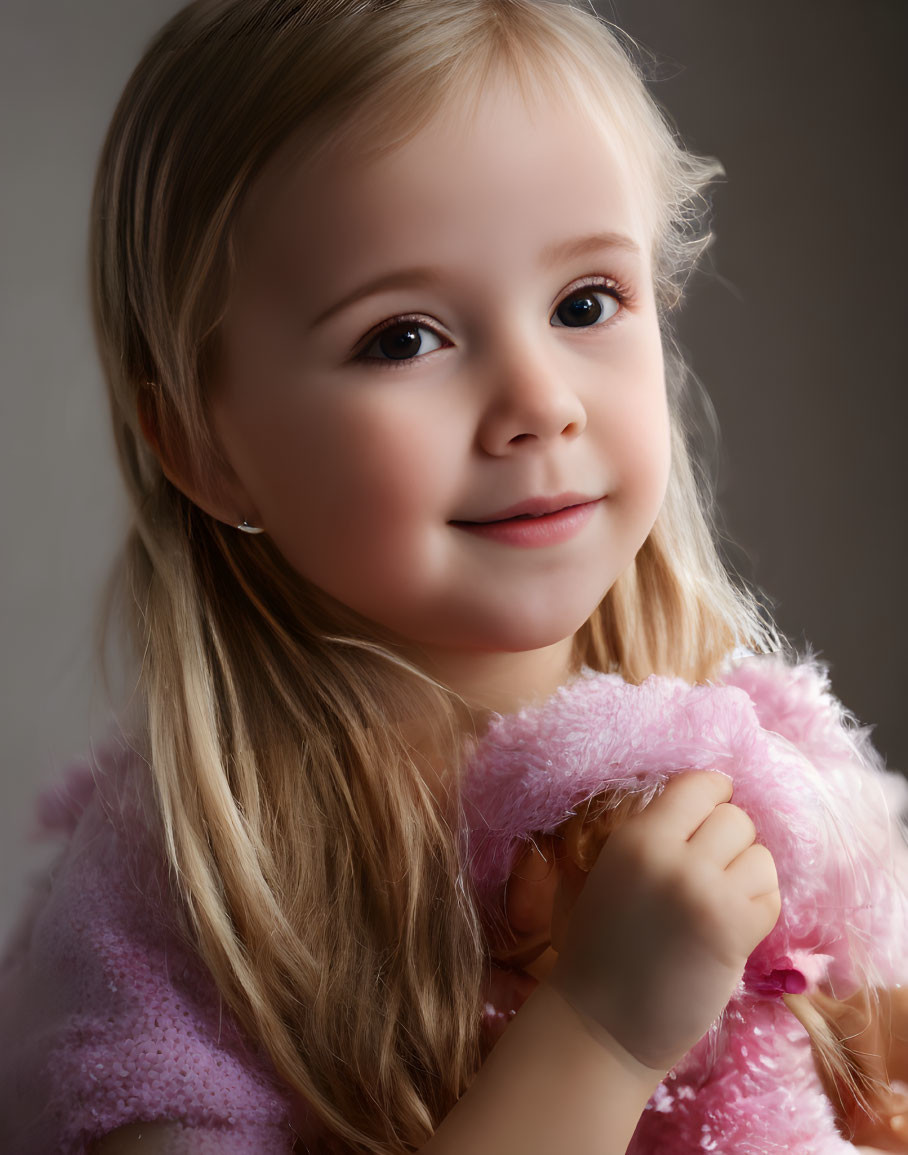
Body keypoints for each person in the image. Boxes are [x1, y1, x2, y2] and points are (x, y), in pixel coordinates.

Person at [0, 0, 905, 1151]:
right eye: (403, 337)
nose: (538, 403)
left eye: (585, 303)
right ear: (202, 445)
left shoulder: (759, 754)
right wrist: (598, 1035)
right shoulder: (180, 897)